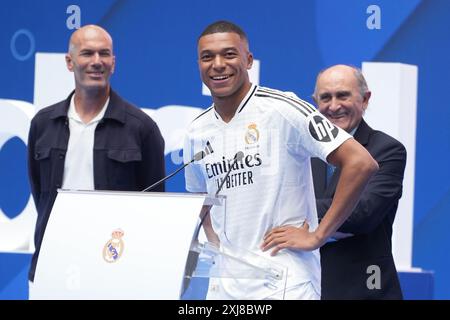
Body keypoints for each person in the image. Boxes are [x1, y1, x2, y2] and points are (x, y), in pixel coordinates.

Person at [184, 20, 378, 300]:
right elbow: (200, 199)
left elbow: (360, 163)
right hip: (225, 284)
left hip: (286, 283)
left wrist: (318, 235)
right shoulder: (196, 130)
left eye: (229, 54)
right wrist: (215, 246)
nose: (218, 64)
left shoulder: (282, 109)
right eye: (207, 57)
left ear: (248, 60)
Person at [27, 25, 165, 284]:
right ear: (70, 62)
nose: (96, 62)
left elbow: (154, 206)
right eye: (87, 53)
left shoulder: (141, 128)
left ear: (113, 63)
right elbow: (40, 194)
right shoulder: (42, 124)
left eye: (104, 54)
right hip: (52, 263)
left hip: (116, 267)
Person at [309, 64, 406, 299]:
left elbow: (362, 213)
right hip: (308, 287)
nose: (333, 106)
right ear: (315, 103)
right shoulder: (304, 151)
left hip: (364, 291)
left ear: (365, 99)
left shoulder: (386, 150)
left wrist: (299, 210)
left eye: (343, 95)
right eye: (325, 98)